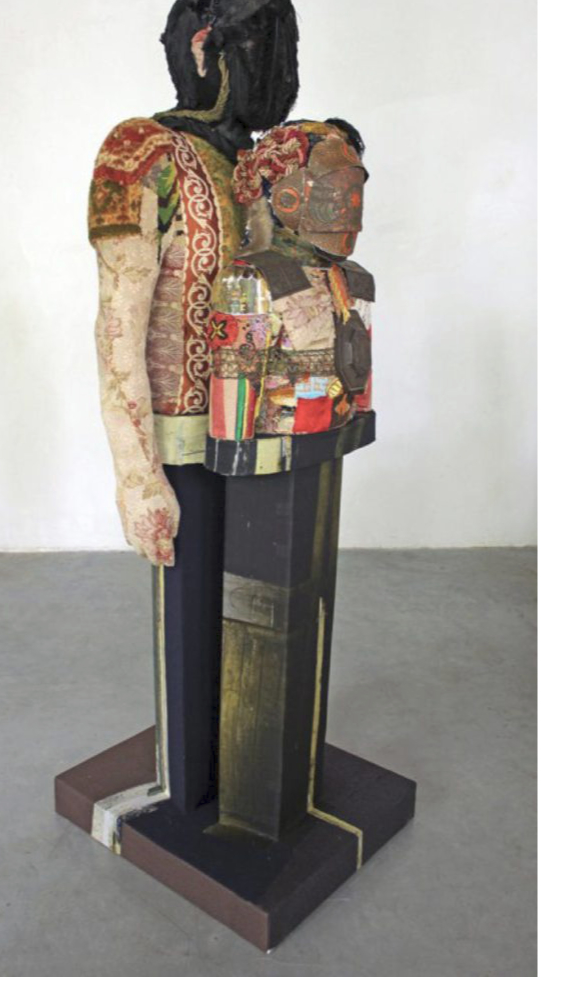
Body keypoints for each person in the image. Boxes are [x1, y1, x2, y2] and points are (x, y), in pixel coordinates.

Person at [86, 0, 299, 821]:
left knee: (255, 618)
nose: (279, 71)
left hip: (256, 431)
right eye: (265, 47)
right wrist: (136, 474)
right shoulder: (139, 151)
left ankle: (239, 774)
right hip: (181, 438)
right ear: (207, 47)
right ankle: (188, 789)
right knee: (192, 622)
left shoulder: (246, 160)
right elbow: (118, 322)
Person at [204, 120, 376, 839]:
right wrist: (237, 447)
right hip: (269, 466)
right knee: (264, 613)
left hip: (324, 445)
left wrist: (354, 415)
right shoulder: (251, 279)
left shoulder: (351, 280)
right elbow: (234, 381)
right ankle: (253, 799)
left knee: (311, 598)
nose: (351, 203)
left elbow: (355, 363)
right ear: (288, 195)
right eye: (336, 186)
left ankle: (289, 778)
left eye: (355, 186)